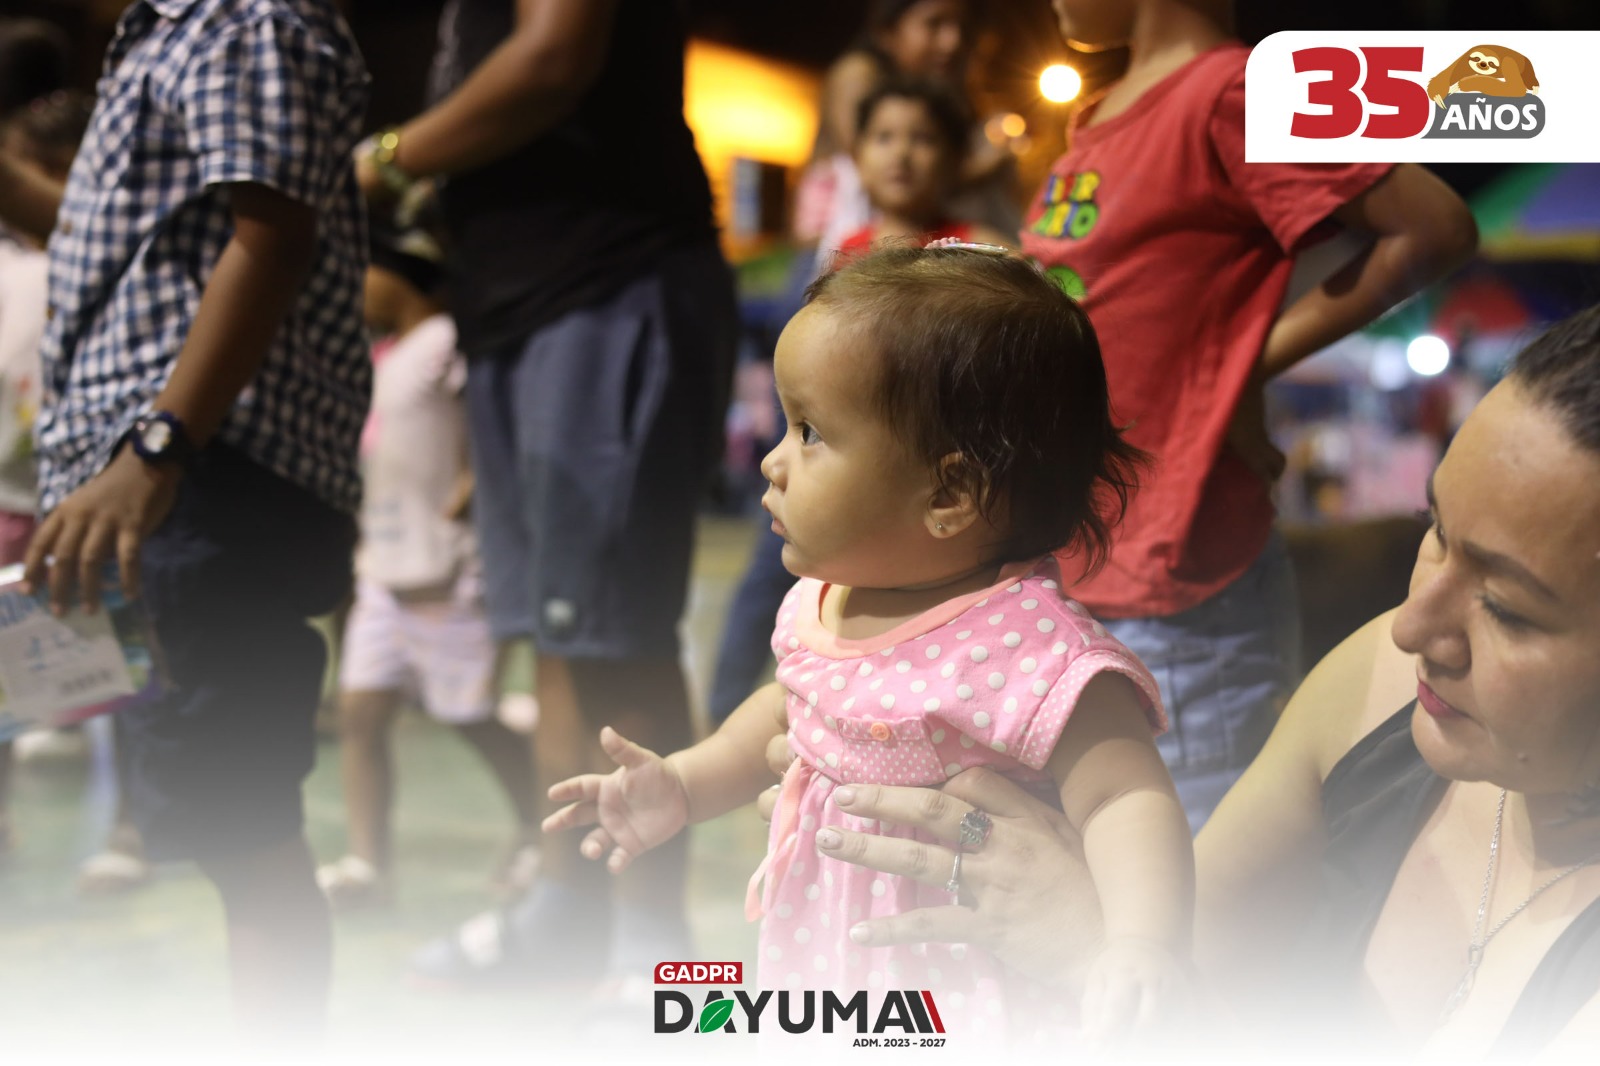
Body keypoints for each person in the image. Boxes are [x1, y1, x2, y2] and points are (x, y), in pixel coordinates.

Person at [797, 304, 1600, 1055]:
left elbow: (1153, 958)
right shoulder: (1380, 687)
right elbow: (1195, 938)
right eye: (1436, 532)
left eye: (1508, 609)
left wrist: (1093, 948)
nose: (1410, 626)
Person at [544, 244, 1192, 1039]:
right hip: (830, 952)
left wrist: (1140, 942)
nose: (773, 461)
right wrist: (681, 784)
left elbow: (1125, 797)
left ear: (949, 494)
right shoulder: (824, 599)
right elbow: (784, 712)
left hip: (971, 978)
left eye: (810, 432)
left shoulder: (1028, 645)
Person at [0, 0, 369, 1039]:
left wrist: (157, 449)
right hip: (160, 478)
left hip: (201, 476)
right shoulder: (165, 32)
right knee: (220, 818)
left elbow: (274, 233)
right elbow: (131, 247)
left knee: (243, 825)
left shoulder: (241, 15)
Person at [1017, 0, 1479, 827]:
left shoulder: (1235, 91)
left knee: (1193, 867)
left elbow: (1432, 227)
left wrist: (1242, 368)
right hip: (1081, 557)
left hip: (1177, 579)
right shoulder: (1101, 115)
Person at [357, 0, 736, 987]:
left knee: (615, 634)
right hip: (513, 306)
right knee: (554, 635)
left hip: (605, 281)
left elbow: (555, 52)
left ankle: (652, 949)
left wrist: (387, 159)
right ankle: (567, 912)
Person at [316, 221, 538, 909]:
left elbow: (486, 418)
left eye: (364, 271)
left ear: (404, 274)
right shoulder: (385, 354)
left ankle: (537, 828)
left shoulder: (446, 343)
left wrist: (475, 482)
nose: (354, 289)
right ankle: (367, 862)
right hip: (383, 569)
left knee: (469, 716)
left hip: (448, 570)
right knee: (360, 713)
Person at [833, 78, 1014, 260]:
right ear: (857, 157)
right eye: (884, 137)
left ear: (953, 158)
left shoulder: (978, 248)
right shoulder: (849, 251)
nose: (900, 153)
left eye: (921, 138)